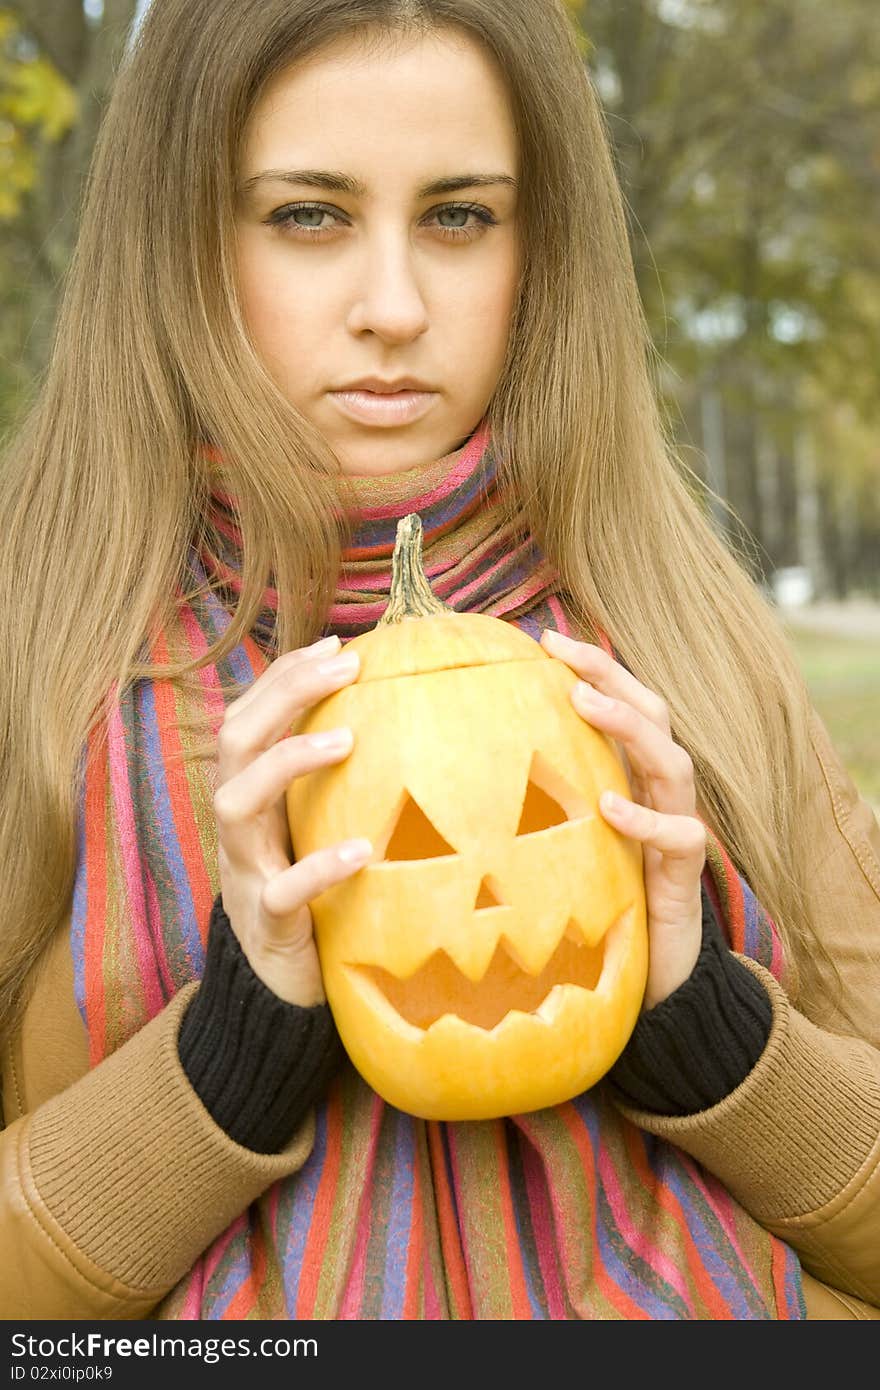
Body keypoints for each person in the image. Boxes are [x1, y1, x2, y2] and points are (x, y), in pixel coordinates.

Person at [0, 0, 878, 1322]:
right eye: (309, 215)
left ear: (542, 243)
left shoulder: (686, 632)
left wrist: (705, 1029)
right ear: (178, 239)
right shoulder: (30, 638)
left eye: (461, 216)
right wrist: (228, 1061)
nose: (395, 308)